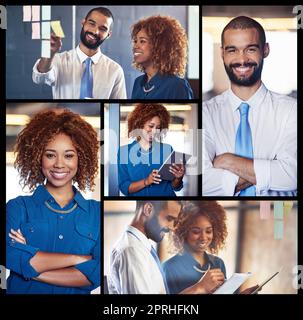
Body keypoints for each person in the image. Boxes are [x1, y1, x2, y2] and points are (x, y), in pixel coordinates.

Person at [6, 108, 100, 294]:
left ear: (81, 159)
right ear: (37, 157)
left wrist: (28, 267)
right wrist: (78, 259)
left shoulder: (96, 213)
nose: (59, 163)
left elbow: (92, 277)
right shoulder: (17, 208)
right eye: (50, 155)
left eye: (68, 155)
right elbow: (10, 256)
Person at [202, 16, 297, 196]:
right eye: (232, 50)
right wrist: (269, 168)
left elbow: (291, 175)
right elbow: (199, 179)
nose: (242, 60)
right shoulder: (204, 114)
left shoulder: (292, 111)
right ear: (222, 53)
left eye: (250, 49)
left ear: (265, 50)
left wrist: (229, 161)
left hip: (277, 214)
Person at [108, 201, 225, 294]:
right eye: (169, 219)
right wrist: (199, 288)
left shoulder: (140, 247)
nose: (172, 228)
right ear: (148, 210)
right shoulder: (132, 250)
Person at [32, 7, 126, 99]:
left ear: (108, 35)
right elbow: (39, 78)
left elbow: (116, 105)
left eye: (102, 29)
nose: (95, 31)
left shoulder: (115, 71)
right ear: (83, 23)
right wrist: (49, 54)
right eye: (91, 24)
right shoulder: (58, 60)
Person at [117, 103, 185, 197]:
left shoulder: (167, 149)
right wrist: (146, 181)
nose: (154, 131)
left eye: (158, 128)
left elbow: (175, 187)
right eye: (151, 126)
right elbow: (125, 188)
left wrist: (178, 178)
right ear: (139, 125)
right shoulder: (124, 152)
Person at [162, 201, 227, 294]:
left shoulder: (218, 263)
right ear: (183, 232)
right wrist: (201, 287)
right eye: (196, 232)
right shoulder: (169, 268)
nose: (203, 238)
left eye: (208, 231)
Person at [131, 15, 193, 99]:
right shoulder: (138, 83)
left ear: (160, 45)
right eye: (135, 41)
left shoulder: (177, 86)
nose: (135, 46)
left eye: (142, 41)